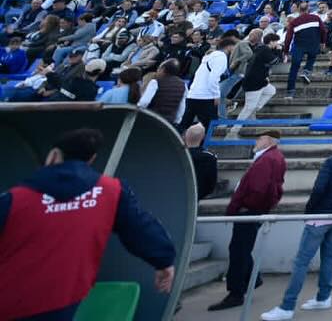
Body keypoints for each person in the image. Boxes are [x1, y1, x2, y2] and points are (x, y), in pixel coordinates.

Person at [0, 128, 176, 321]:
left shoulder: (15, 199)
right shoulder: (111, 192)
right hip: (64, 299)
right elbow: (140, 228)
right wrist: (164, 261)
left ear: (54, 155)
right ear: (91, 159)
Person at [260, 133, 332, 320]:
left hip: (321, 215)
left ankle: (287, 306)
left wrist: (309, 211)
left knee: (302, 261)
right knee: (328, 256)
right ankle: (324, 297)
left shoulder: (330, 162)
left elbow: (318, 189)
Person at [210, 130, 287, 311]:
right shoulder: (273, 157)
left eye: (259, 138)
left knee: (238, 250)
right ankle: (254, 277)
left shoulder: (267, 159)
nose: (256, 141)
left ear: (268, 141)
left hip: (249, 210)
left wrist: (243, 207)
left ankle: (236, 293)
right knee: (242, 248)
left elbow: (258, 189)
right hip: (254, 210)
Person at [184, 36, 235, 132]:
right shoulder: (221, 57)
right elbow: (213, 78)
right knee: (208, 126)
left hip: (193, 94)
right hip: (205, 96)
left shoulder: (208, 57)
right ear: (229, 47)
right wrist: (216, 95)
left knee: (185, 124)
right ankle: (200, 146)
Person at [283, 1, 327, 99]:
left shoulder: (294, 22)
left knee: (294, 69)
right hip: (313, 46)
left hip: (299, 46)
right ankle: (306, 71)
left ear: (299, 10)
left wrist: (285, 51)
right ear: (308, 9)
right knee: (312, 56)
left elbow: (288, 38)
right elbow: (323, 31)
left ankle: (290, 92)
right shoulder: (316, 18)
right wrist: (323, 42)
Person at [186, 123, 219, 203]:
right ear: (203, 137)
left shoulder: (178, 155)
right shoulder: (209, 158)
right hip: (198, 193)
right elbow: (210, 184)